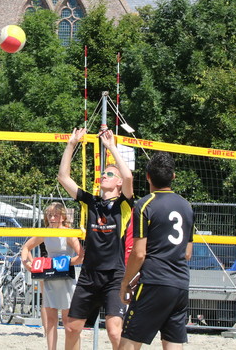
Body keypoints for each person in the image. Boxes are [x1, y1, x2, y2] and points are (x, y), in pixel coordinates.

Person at [58, 127, 134, 350]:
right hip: (89, 274)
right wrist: (71, 144)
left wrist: (111, 147)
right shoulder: (90, 202)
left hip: (114, 275)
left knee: (114, 331)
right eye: (103, 173)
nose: (103, 176)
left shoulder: (124, 204)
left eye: (109, 174)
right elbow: (63, 177)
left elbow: (128, 176)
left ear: (118, 183)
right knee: (72, 327)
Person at [118, 151, 194, 350]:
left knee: (129, 341)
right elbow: (187, 253)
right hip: (180, 284)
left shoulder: (145, 204)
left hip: (154, 281)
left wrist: (126, 282)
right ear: (173, 176)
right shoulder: (186, 206)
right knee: (173, 343)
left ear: (148, 177)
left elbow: (139, 253)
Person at [21, 202, 85, 350]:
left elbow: (82, 256)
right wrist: (29, 264)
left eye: (55, 215)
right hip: (50, 277)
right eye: (49, 215)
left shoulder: (69, 233)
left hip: (66, 279)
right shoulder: (46, 232)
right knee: (50, 320)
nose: (52, 218)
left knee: (68, 321)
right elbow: (26, 247)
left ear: (63, 217)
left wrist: (65, 262)